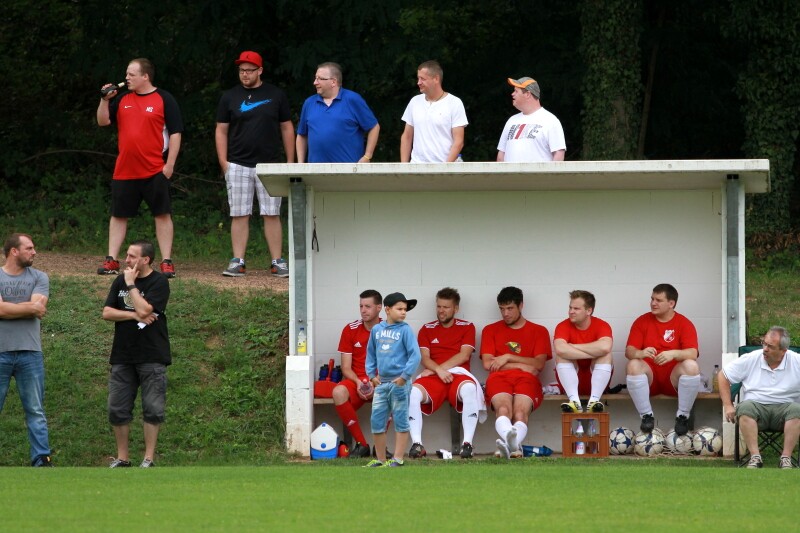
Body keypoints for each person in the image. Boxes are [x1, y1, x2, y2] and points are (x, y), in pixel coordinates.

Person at [97, 58, 184, 279]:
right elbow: (103, 121)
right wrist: (104, 100)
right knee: (118, 215)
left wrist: (170, 164)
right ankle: (111, 260)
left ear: (145, 76)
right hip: (125, 169)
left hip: (155, 169)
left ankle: (166, 261)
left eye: (131, 74)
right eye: (126, 74)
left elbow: (176, 133)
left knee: (162, 214)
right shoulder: (122, 99)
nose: (127, 78)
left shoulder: (164, 98)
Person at [216, 51, 295, 278]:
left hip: (269, 164)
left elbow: (286, 127)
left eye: (249, 70)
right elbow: (221, 130)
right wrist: (223, 162)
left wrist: (290, 162)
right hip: (237, 163)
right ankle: (238, 261)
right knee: (239, 213)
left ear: (260, 70)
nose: (245, 74)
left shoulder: (275, 94)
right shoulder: (229, 97)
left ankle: (277, 261)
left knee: (271, 213)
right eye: (241, 70)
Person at [102, 239, 171, 468]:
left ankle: (148, 459)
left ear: (145, 259)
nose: (126, 260)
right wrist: (132, 315)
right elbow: (107, 312)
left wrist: (131, 285)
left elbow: (145, 309)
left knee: (152, 409)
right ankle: (122, 458)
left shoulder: (159, 282)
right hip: (123, 355)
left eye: (132, 256)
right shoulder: (119, 280)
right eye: (127, 255)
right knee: (117, 408)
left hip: (152, 354)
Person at [408, 287, 485, 459]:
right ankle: (417, 444)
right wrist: (438, 371)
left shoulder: (467, 327)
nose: (441, 311)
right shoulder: (427, 328)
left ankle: (467, 444)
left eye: (446, 307)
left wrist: (440, 369)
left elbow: (464, 355)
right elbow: (424, 358)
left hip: (458, 374)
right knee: (412, 392)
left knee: (469, 389)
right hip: (434, 376)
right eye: (439, 306)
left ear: (456, 308)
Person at [0, 233, 53, 467]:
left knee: (35, 410)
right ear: (14, 251)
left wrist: (6, 308)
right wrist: (27, 307)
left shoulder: (40, 277)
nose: (34, 252)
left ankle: (41, 459)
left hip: (30, 353)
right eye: (29, 248)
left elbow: (39, 308)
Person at [480, 286, 551, 458]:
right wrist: (522, 365)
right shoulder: (490, 330)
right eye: (502, 309)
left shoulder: (539, 331)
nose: (505, 313)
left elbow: (539, 364)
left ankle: (508, 446)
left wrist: (507, 357)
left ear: (521, 306)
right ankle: (514, 447)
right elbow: (488, 363)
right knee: (503, 410)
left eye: (510, 308)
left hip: (527, 380)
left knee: (520, 413)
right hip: (499, 378)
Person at [625, 283, 701, 436]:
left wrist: (673, 354)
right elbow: (629, 351)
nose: (653, 303)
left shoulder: (684, 323)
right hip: (650, 379)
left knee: (691, 366)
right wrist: (640, 353)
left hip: (673, 380)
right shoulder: (642, 321)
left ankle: (682, 416)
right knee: (633, 364)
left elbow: (693, 353)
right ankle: (646, 416)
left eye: (658, 300)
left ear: (671, 303)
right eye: (652, 299)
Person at [719, 326, 800, 469]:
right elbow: (723, 375)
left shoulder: (796, 361)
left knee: (796, 410)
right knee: (745, 407)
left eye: (770, 346)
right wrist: (728, 405)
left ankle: (786, 458)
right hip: (756, 408)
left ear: (783, 351)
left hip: (786, 411)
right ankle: (755, 457)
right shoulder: (752, 358)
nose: (765, 349)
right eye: (764, 343)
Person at [364, 292, 422, 467]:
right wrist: (372, 376)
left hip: (399, 384)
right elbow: (370, 354)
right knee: (377, 421)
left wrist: (404, 377)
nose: (403, 312)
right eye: (399, 309)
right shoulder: (376, 330)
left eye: (405, 309)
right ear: (388, 309)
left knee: (401, 420)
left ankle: (398, 459)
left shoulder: (405, 330)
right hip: (381, 384)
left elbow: (415, 356)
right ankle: (380, 459)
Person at [332, 289, 382, 458]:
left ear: (379, 308)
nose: (363, 310)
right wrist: (359, 382)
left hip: (380, 381)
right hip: (357, 381)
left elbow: (393, 364)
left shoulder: (389, 330)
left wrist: (375, 382)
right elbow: (346, 367)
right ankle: (362, 444)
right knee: (338, 392)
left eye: (368, 306)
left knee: (394, 390)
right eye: (361, 306)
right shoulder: (350, 329)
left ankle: (380, 447)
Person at [296, 62, 380, 163]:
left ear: (333, 82)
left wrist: (367, 156)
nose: (315, 82)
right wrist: (300, 164)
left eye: (320, 79)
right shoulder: (309, 103)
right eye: (315, 78)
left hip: (349, 169)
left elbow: (374, 127)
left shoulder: (353, 99)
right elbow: (302, 135)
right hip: (316, 170)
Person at [554, 290, 613, 413]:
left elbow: (605, 347)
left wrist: (572, 347)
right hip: (571, 383)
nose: (571, 311)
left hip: (597, 384)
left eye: (576, 308)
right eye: (570, 307)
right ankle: (574, 402)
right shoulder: (562, 325)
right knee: (561, 356)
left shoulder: (602, 325)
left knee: (606, 355)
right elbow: (560, 349)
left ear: (589, 311)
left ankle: (594, 402)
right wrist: (593, 352)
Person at [400, 60, 468, 163]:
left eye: (423, 79)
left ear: (436, 79)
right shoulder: (414, 102)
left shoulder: (454, 103)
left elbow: (458, 141)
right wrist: (404, 167)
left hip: (445, 167)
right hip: (416, 167)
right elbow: (407, 136)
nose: (418, 82)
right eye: (418, 78)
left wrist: (445, 168)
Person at [497, 77, 565, 162]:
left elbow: (559, 154)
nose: (512, 94)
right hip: (510, 172)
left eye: (516, 91)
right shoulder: (511, 121)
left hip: (539, 172)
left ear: (527, 94)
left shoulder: (550, 120)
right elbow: (501, 154)